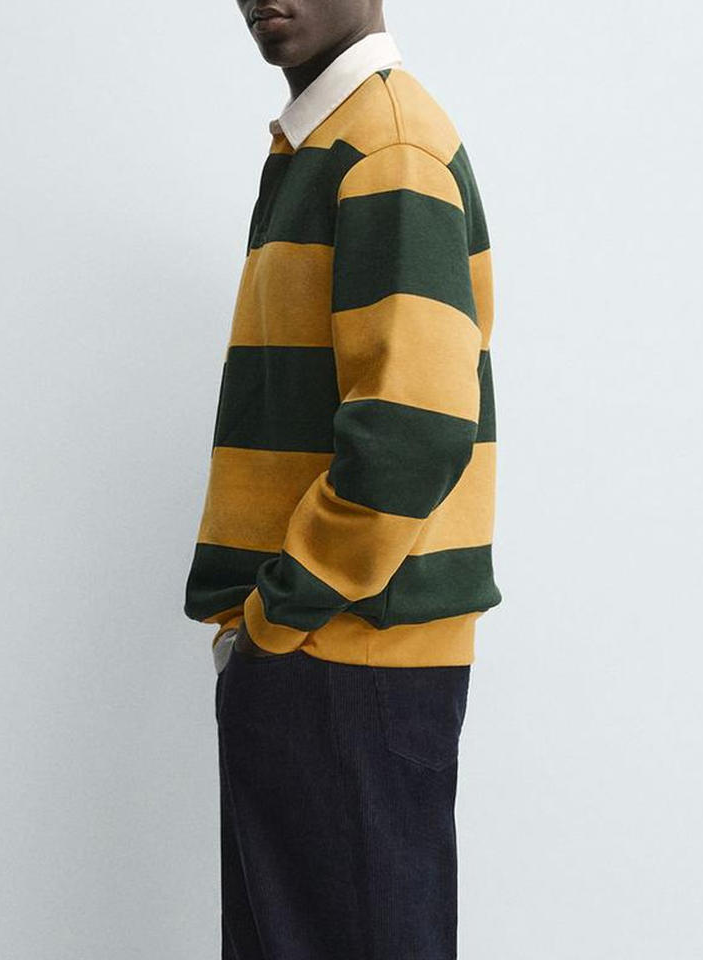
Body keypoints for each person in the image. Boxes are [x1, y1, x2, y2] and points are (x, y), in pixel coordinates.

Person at [183, 2, 502, 956]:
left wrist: (280, 617)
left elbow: (414, 431)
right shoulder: (324, 143)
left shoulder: (387, 148)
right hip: (317, 652)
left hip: (346, 652)